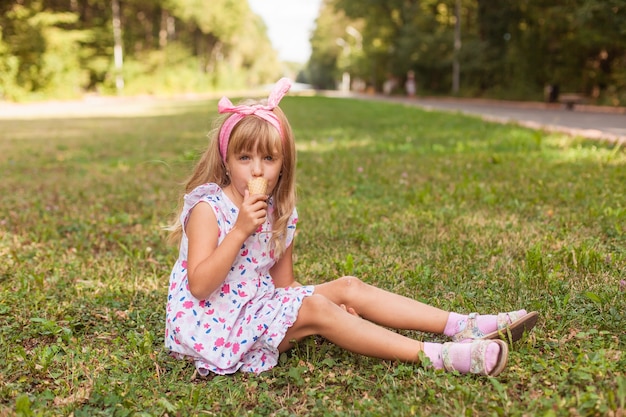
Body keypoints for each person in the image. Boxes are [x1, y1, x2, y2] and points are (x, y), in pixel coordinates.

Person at [165, 78, 538, 377]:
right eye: (244, 158)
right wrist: (240, 231)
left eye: (268, 158)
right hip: (214, 326)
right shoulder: (208, 209)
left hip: (257, 306)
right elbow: (199, 286)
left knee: (347, 287)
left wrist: (334, 302)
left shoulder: (280, 213)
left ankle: (464, 324)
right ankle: (439, 356)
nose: (257, 170)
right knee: (317, 309)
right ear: (227, 162)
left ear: (284, 164)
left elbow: (285, 287)